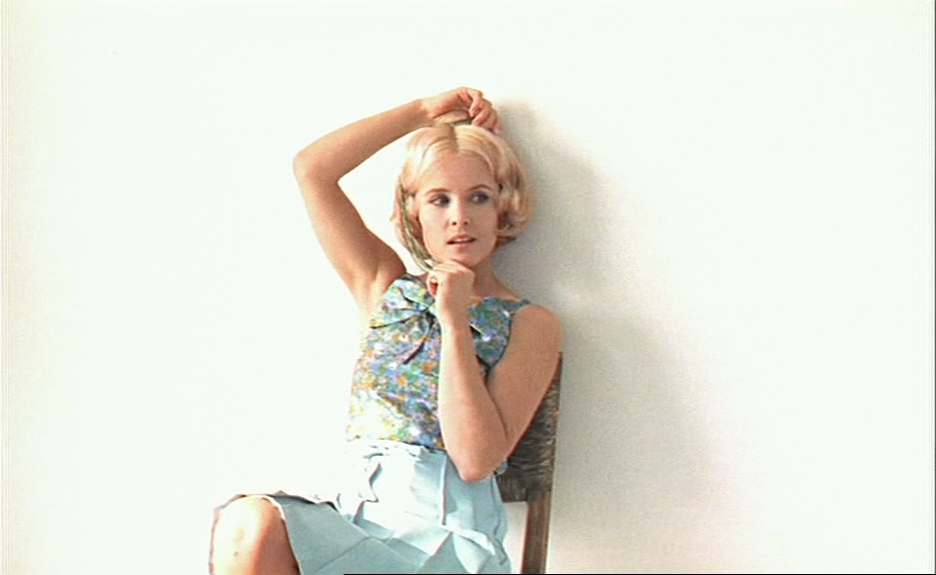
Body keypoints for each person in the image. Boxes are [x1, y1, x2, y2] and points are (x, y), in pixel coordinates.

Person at [208, 87, 563, 575]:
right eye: (439, 199)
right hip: (357, 523)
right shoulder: (384, 287)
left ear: (502, 206)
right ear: (414, 209)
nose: (459, 217)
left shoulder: (530, 323)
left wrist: (454, 321)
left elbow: (475, 460)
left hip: (451, 541)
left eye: (478, 197)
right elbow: (312, 170)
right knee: (249, 523)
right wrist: (421, 113)